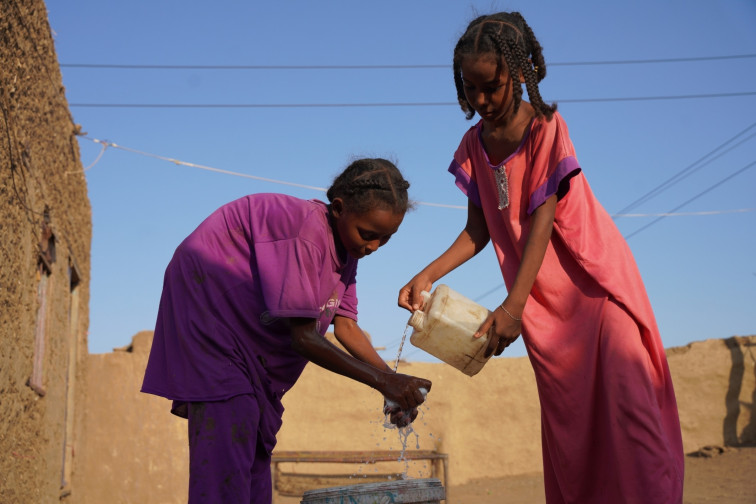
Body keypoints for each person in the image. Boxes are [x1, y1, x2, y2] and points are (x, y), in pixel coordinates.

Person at [399, 12, 683, 504]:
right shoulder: (473, 145)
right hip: (544, 313)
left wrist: (512, 306)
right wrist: (427, 273)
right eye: (470, 88)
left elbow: (541, 219)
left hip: (595, 292)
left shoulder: (547, 129)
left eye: (491, 86)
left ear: (522, 72)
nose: (480, 100)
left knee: (634, 421)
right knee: (574, 437)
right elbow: (478, 229)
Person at [142, 158, 431, 503]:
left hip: (246, 340)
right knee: (230, 434)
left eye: (385, 238)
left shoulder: (346, 254)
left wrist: (392, 384)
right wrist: (384, 382)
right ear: (339, 208)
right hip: (209, 312)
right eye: (368, 235)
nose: (373, 247)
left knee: (252, 454)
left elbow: (346, 326)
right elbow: (304, 338)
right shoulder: (308, 233)